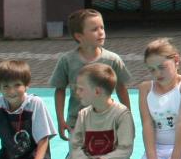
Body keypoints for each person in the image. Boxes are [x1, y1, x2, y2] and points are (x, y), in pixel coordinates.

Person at [51, 63, 134, 159]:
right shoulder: (83, 114)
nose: (77, 93)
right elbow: (75, 144)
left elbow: (125, 149)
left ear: (97, 91)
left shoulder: (121, 114)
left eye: (81, 89)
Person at [50, 8, 132, 140]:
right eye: (94, 29)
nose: (101, 33)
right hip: (77, 121)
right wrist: (61, 120)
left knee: (107, 155)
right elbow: (60, 90)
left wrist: (127, 117)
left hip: (107, 120)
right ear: (79, 36)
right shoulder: (67, 61)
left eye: (102, 28)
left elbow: (121, 88)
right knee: (78, 158)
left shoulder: (112, 59)